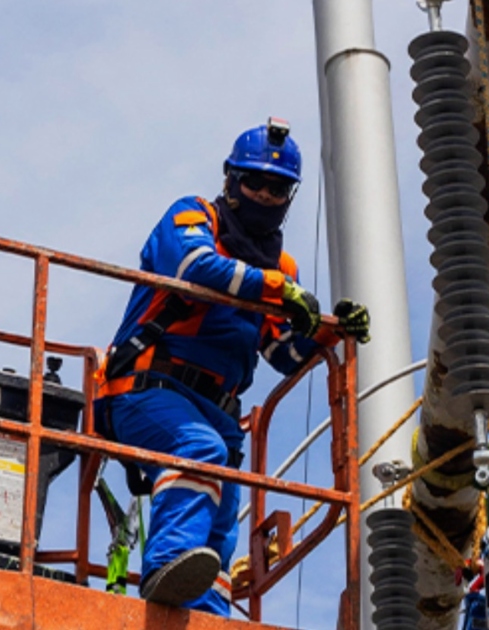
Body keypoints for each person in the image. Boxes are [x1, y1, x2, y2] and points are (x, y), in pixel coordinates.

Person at [96, 118, 370, 616]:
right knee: (198, 450)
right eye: (255, 182)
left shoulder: (281, 268)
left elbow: (282, 353)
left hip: (219, 413)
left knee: (221, 512)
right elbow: (191, 267)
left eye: (278, 187)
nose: (265, 194)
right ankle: (167, 567)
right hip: (144, 390)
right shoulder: (193, 217)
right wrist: (279, 291)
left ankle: (207, 610)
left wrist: (331, 331)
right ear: (230, 180)